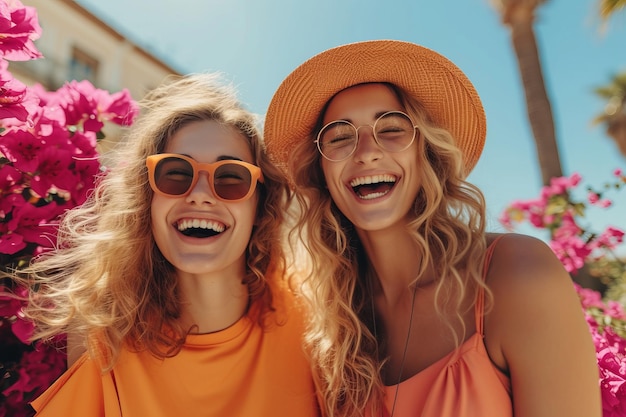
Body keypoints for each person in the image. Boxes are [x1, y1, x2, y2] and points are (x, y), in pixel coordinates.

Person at [263, 40, 602, 417]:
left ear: (426, 152)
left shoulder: (516, 272)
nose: (366, 151)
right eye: (340, 137)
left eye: (390, 129)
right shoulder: (327, 322)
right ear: (321, 173)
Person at [14, 73, 319, 416]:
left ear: (259, 205)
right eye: (175, 173)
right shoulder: (102, 334)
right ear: (146, 197)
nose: (201, 195)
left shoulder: (317, 319)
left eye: (231, 178)